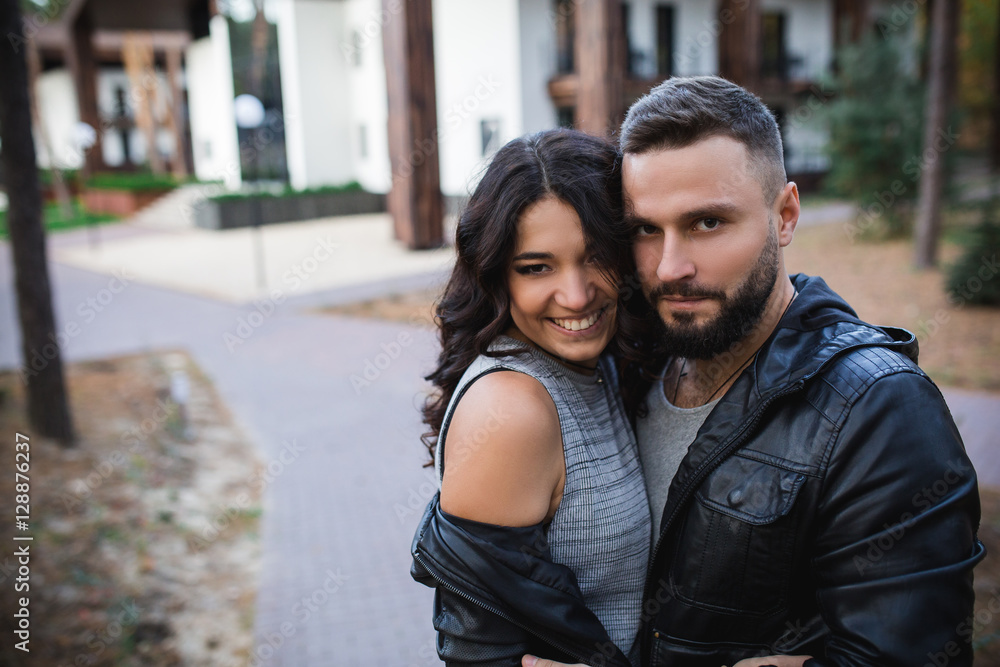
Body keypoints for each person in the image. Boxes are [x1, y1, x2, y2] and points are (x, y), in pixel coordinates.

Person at [525, 76, 985, 667]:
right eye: (645, 229)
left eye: (707, 223)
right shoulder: (627, 361)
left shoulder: (879, 410)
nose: (671, 268)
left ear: (786, 215)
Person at [411, 128, 652, 666]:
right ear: (497, 275)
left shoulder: (597, 362)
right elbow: (479, 653)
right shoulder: (512, 408)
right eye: (536, 267)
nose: (576, 294)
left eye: (596, 257)